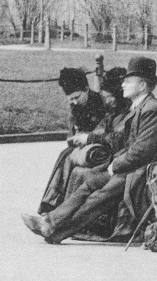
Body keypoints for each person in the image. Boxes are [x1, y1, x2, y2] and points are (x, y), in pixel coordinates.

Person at [21, 56, 157, 244]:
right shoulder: (140, 107)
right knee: (90, 183)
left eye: (128, 81)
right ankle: (51, 224)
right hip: (134, 169)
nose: (123, 85)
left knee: (99, 196)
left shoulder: (152, 109)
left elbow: (142, 150)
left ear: (142, 86)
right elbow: (129, 146)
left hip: (148, 173)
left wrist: (115, 165)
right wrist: (113, 164)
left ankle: (55, 231)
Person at [37, 67, 109, 213]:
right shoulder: (74, 107)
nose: (75, 102)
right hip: (84, 146)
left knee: (67, 157)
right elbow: (71, 133)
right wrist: (73, 139)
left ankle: (52, 201)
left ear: (86, 89)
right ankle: (53, 201)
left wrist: (85, 137)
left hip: (99, 146)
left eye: (77, 97)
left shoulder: (102, 103)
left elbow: (105, 130)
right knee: (66, 153)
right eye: (71, 99)